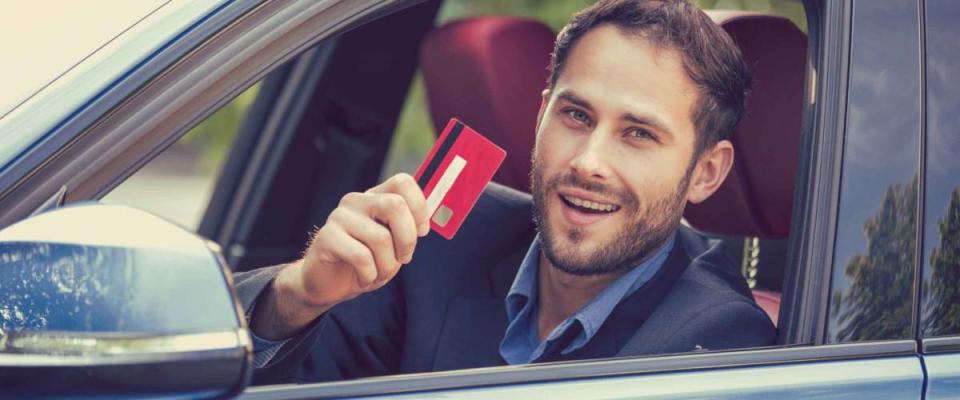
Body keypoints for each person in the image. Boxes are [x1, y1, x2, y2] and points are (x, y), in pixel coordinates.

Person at [235, 0, 776, 385]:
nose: (589, 162)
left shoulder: (716, 338)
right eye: (576, 115)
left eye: (639, 134)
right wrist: (301, 295)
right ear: (541, 116)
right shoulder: (437, 236)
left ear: (706, 172)